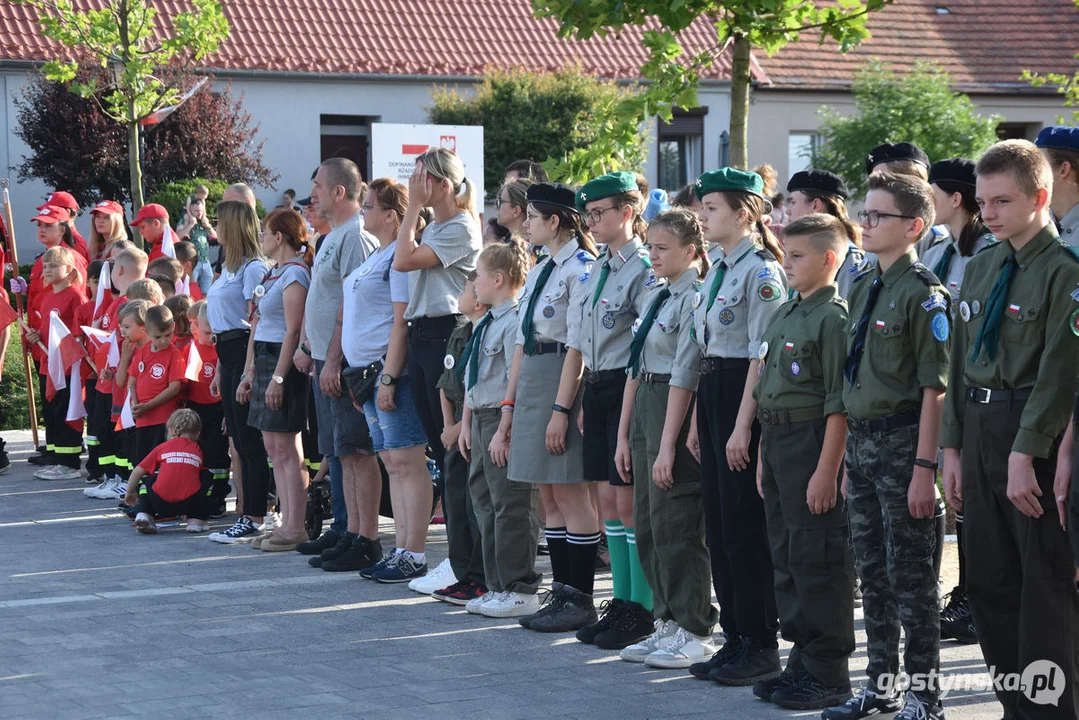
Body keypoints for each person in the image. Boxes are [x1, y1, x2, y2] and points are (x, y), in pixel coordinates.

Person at [942, 140, 1079, 720]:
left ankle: (1051, 711)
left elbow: (1058, 372)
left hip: (1028, 435)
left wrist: (1027, 451)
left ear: (1040, 196)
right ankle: (1015, 706)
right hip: (977, 428)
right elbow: (957, 360)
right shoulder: (981, 265)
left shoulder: (1063, 273)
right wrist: (950, 447)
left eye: (1003, 200)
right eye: (982, 201)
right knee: (989, 585)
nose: (989, 212)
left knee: (1042, 592)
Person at [825, 172, 948, 720]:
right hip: (864, 444)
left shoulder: (925, 294)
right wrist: (850, 454)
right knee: (871, 574)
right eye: (863, 214)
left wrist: (925, 467)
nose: (864, 224)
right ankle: (881, 686)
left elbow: (935, 389)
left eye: (877, 216)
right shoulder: (862, 284)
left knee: (913, 579)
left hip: (903, 446)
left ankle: (925, 695)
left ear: (914, 226)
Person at [686, 168, 787, 685]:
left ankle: (761, 643)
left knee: (746, 527)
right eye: (703, 209)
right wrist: (698, 422)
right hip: (714, 392)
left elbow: (760, 355)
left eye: (712, 209)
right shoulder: (718, 268)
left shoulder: (761, 271)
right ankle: (736, 636)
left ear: (744, 212)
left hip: (741, 397)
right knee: (721, 527)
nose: (703, 218)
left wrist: (742, 426)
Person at [751, 214, 856, 710]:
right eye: (784, 254)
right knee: (788, 555)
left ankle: (830, 672)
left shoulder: (833, 318)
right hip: (778, 440)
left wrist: (826, 471)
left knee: (818, 558)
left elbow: (839, 402)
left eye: (796, 257)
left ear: (828, 259)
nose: (786, 264)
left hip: (811, 440)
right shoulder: (789, 312)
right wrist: (763, 459)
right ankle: (803, 658)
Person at [613, 208, 718, 668]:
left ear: (692, 252)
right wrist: (623, 437)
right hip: (646, 408)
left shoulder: (695, 297)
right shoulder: (658, 295)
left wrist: (670, 444)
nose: (652, 255)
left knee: (676, 524)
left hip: (674, 409)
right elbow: (636, 366)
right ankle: (667, 621)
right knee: (649, 523)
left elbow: (687, 372)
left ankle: (694, 627)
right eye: (650, 246)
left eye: (662, 248)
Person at [490, 183, 595, 623]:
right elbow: (521, 342)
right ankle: (562, 591)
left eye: (533, 217)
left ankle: (580, 599)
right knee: (547, 494)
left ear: (555, 221)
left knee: (571, 493)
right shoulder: (540, 269)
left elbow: (578, 345)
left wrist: (562, 410)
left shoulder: (581, 269)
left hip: (561, 378)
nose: (526, 224)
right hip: (533, 377)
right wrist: (508, 408)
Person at [569, 171, 656, 644]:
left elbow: (641, 341)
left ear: (628, 212)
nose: (592, 221)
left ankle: (641, 608)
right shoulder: (601, 265)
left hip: (629, 387)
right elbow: (587, 339)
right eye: (589, 214)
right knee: (607, 501)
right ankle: (621, 602)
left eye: (600, 213)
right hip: (599, 387)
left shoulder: (643, 266)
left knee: (627, 499)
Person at [393, 147, 483, 579]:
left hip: (446, 331)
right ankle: (457, 558)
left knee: (452, 450)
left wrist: (411, 209)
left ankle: (463, 559)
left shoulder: (461, 227)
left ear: (442, 184)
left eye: (420, 178)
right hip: (423, 333)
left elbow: (403, 259)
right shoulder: (438, 225)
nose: (414, 185)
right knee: (439, 444)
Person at [341, 178, 435, 582]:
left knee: (407, 460)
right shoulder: (376, 255)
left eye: (369, 207)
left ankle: (414, 551)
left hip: (388, 370)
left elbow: (401, 320)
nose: (364, 212)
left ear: (391, 215)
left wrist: (390, 376)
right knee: (390, 461)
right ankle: (399, 548)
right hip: (366, 374)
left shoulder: (397, 257)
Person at [292, 158, 381, 569]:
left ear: (340, 192)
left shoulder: (356, 237)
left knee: (356, 451)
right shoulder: (333, 237)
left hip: (343, 364)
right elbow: (324, 301)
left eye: (319, 186)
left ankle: (363, 537)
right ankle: (347, 530)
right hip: (324, 361)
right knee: (340, 452)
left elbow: (353, 305)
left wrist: (332, 360)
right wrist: (310, 347)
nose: (313, 194)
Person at [457, 240, 531, 612]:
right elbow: (474, 377)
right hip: (482, 416)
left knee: (509, 504)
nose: (474, 282)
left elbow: (511, 380)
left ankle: (517, 585)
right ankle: (495, 582)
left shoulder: (514, 321)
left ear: (499, 279)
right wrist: (467, 422)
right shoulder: (487, 321)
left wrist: (505, 427)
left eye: (479, 275)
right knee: (484, 502)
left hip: (502, 417)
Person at [241, 208, 311, 552]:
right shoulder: (276, 272)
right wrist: (250, 370)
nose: (262, 238)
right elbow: (258, 325)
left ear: (279, 237)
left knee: (286, 448)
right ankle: (285, 523)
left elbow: (293, 330)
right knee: (273, 447)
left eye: (266, 232)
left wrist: (279, 378)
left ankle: (295, 525)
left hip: (282, 363)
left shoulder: (295, 274)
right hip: (267, 358)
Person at [206, 201, 273, 544]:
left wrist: (247, 370)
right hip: (227, 352)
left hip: (243, 352)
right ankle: (249, 512)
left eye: (220, 222)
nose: (215, 227)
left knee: (249, 442)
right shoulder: (229, 267)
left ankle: (256, 514)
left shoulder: (251, 269)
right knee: (237, 437)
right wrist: (221, 368)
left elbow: (255, 322)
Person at [426, 273, 488, 604]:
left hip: (477, 424)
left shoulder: (489, 331)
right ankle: (462, 573)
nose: (459, 294)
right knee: (456, 502)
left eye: (464, 289)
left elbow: (483, 387)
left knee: (477, 505)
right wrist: (448, 426)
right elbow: (445, 384)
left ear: (478, 300)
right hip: (456, 429)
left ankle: (481, 576)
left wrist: (460, 426)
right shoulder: (460, 333)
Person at [83, 247, 147, 500]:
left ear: (117, 271)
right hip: (108, 381)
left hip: (119, 384)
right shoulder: (117, 303)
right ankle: (112, 476)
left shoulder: (127, 305)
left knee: (121, 433)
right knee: (108, 430)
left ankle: (120, 478)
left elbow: (123, 344)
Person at [25, 245, 85, 480]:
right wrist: (35, 336)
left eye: (53, 266)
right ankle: (59, 459)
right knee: (52, 411)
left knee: (65, 411)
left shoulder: (75, 295)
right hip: (48, 364)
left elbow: (77, 332)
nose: (46, 270)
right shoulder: (48, 296)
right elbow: (47, 330)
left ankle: (69, 463)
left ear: (69, 269)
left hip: (66, 366)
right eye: (45, 266)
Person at [123, 409, 210, 534]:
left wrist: (130, 492)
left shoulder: (162, 448)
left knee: (148, 480)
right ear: (197, 434)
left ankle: (145, 513)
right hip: (190, 502)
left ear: (171, 430)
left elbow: (138, 471)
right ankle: (196, 520)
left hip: (160, 501)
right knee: (206, 476)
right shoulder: (198, 450)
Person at [785, 170, 866, 299]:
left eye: (793, 202)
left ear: (815, 205)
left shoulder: (849, 258)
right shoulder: (803, 250)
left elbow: (846, 315)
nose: (788, 211)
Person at [127, 305, 185, 466]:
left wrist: (148, 406)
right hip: (143, 419)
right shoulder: (143, 351)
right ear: (146, 331)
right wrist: (136, 404)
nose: (164, 340)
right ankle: (144, 490)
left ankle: (159, 490)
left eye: (168, 335)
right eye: (158, 337)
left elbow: (174, 387)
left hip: (163, 420)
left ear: (173, 327)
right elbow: (132, 381)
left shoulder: (174, 354)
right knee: (143, 462)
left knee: (162, 462)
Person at [176, 195, 216, 292]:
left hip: (205, 261)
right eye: (196, 211)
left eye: (200, 211)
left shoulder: (203, 223)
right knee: (190, 288)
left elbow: (216, 236)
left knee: (207, 290)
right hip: (193, 262)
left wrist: (208, 226)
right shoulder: (184, 221)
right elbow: (178, 236)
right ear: (190, 211)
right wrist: (190, 225)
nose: (199, 213)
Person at [37, 191, 90, 261]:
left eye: (53, 210)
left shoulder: (75, 243)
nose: (47, 212)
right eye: (39, 224)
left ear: (67, 212)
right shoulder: (56, 239)